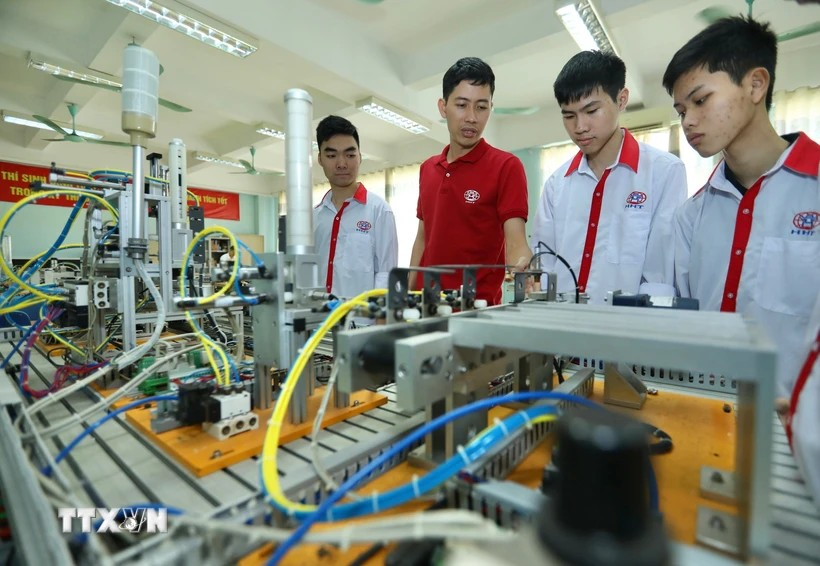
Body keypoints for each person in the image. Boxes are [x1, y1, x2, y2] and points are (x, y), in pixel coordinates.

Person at [662, 16, 820, 398]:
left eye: (701, 100)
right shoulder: (691, 215)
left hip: (796, 434)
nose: (689, 121)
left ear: (755, 84)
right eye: (681, 110)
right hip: (706, 415)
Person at [530, 50, 687, 305]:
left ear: (621, 99)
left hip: (627, 334)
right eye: (569, 115)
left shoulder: (663, 172)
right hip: (562, 331)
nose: (579, 127)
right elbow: (545, 267)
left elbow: (661, 275)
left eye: (591, 111)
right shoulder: (557, 185)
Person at [410, 57, 531, 305]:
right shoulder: (428, 169)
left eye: (481, 107)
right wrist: (406, 297)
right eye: (462, 105)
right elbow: (423, 239)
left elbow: (516, 241)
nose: (472, 118)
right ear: (443, 107)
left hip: (476, 311)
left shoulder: (506, 166)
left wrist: (522, 267)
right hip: (424, 308)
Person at [313, 115, 398, 299]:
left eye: (350, 155)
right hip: (319, 322)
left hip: (361, 323)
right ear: (320, 159)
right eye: (331, 155)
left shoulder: (379, 211)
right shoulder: (314, 217)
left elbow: (387, 274)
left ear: (360, 157)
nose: (342, 163)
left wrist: (380, 321)